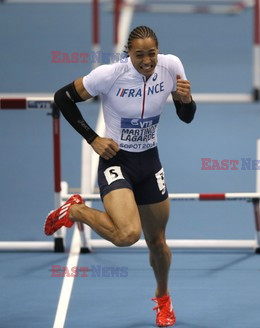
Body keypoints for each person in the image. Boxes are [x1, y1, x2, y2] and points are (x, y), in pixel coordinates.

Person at [45, 26, 196, 326]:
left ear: (158, 51)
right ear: (128, 54)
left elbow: (187, 117)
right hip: (117, 160)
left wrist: (187, 100)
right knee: (128, 235)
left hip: (150, 162)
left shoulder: (172, 66)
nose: (147, 61)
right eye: (139, 55)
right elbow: (62, 97)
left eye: (151, 54)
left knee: (158, 243)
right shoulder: (109, 75)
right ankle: (75, 209)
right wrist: (93, 139)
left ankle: (163, 300)